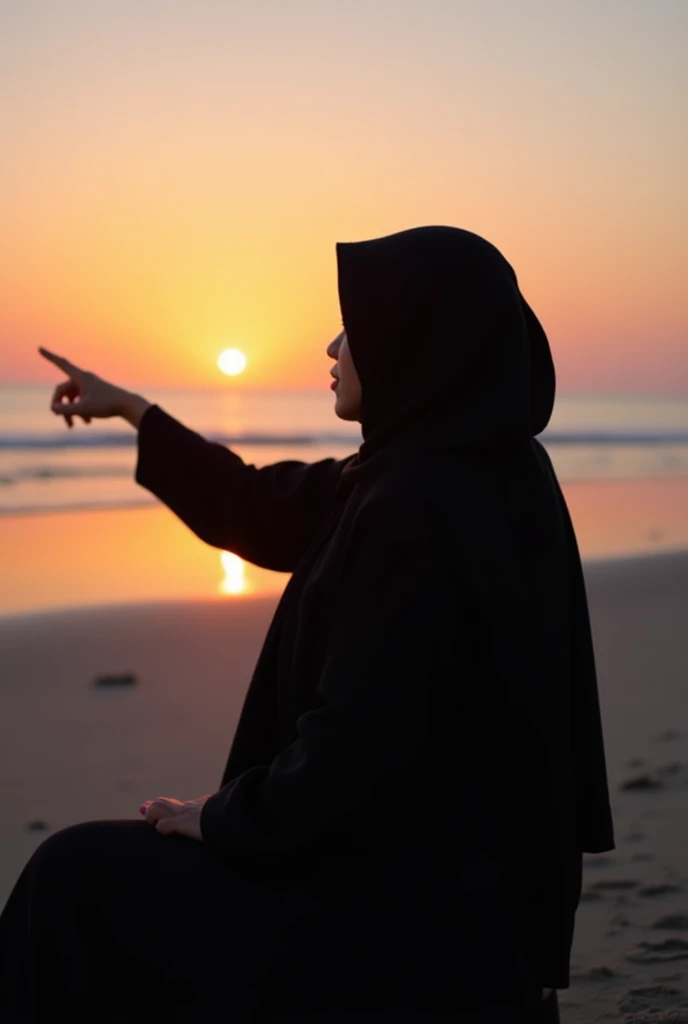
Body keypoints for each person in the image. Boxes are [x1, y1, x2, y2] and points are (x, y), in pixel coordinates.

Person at [0, 225, 614, 1022]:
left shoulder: (416, 508)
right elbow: (259, 506)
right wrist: (135, 411)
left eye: (355, 326)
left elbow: (357, 748)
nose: (332, 344)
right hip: (473, 923)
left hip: (411, 938)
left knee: (69, 877)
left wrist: (216, 819)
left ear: (414, 338)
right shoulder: (467, 468)